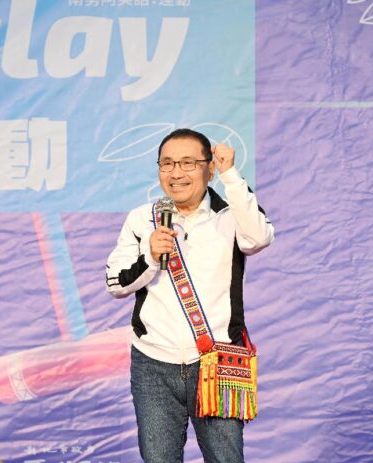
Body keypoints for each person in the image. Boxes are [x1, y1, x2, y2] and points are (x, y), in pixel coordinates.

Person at [106, 128, 274, 462]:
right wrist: (150, 257)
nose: (176, 173)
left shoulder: (231, 214)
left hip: (217, 360)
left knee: (225, 458)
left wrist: (230, 174)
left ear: (209, 169)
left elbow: (259, 238)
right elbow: (115, 283)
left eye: (188, 163)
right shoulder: (142, 219)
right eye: (167, 164)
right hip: (153, 363)